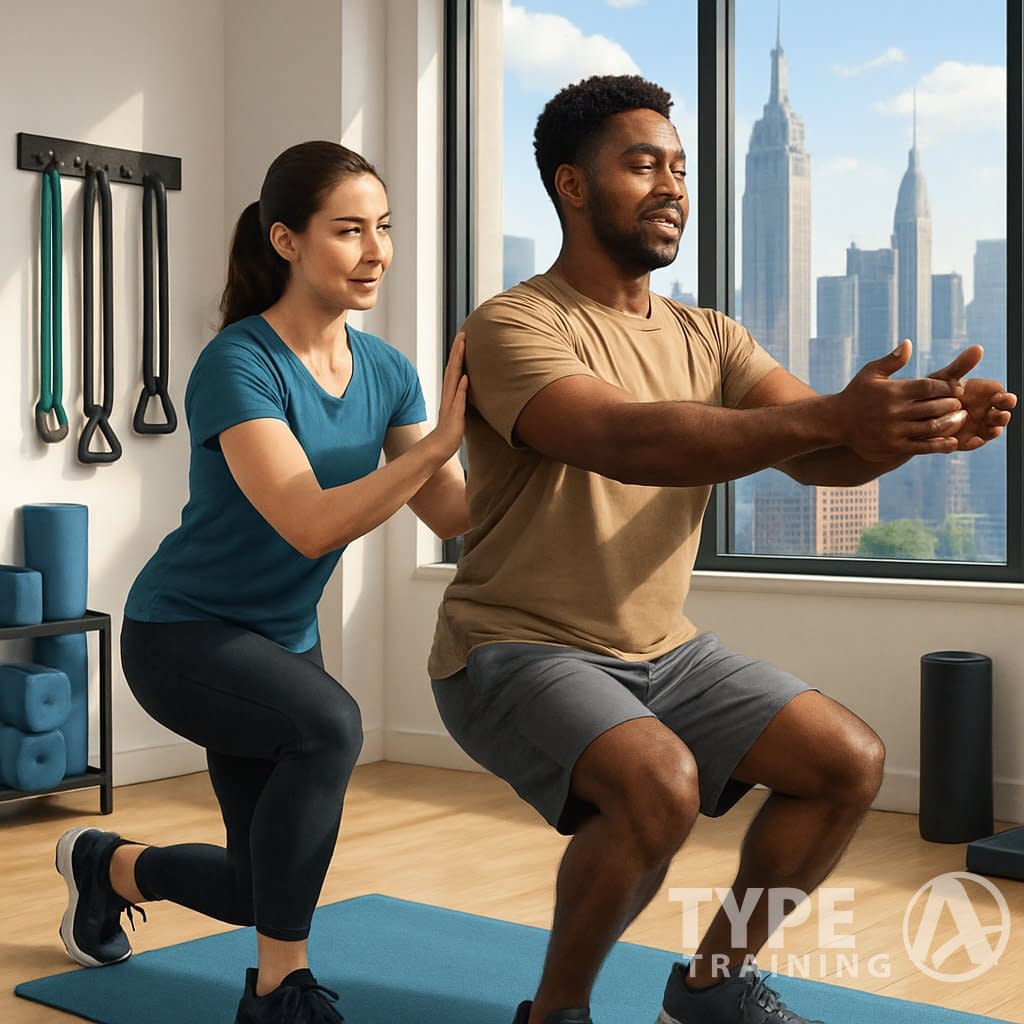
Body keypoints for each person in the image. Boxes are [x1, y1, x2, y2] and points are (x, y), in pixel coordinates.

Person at [428, 75, 1015, 1024]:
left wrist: (912, 425)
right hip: (511, 645)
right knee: (659, 785)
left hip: (663, 650)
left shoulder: (711, 334)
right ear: (572, 186)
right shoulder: (514, 324)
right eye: (643, 163)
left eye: (681, 167)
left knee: (847, 762)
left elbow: (820, 457)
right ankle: (556, 1014)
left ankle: (710, 989)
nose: (671, 185)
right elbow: (628, 440)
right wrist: (837, 416)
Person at [55, 140, 470, 1024]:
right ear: (286, 240)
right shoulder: (237, 364)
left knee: (254, 888)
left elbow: (453, 516)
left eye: (384, 229)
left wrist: (528, 437)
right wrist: (437, 443)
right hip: (183, 635)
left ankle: (107, 865)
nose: (376, 251)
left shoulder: (388, 371)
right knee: (332, 726)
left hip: (281, 640)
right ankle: (281, 990)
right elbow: (310, 519)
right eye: (348, 230)